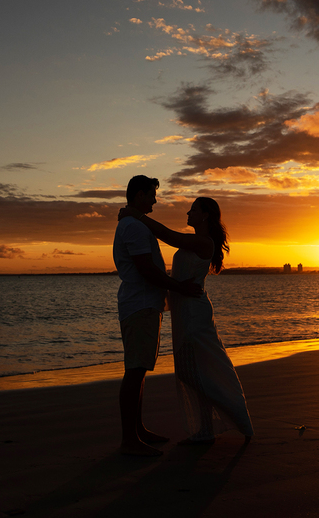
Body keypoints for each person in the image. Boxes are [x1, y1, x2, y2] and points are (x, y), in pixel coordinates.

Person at [118, 195, 254, 444]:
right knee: (190, 369)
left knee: (192, 370)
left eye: (193, 210)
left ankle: (233, 413)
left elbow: (169, 236)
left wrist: (136, 215)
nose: (188, 214)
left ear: (205, 215)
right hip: (183, 309)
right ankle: (206, 428)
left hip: (194, 310)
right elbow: (172, 239)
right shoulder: (195, 241)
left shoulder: (204, 242)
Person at [113, 175, 203, 457]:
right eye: (152, 194)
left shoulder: (136, 223)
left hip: (144, 304)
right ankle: (129, 440)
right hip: (140, 305)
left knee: (139, 369)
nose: (155, 199)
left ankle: (138, 430)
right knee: (135, 370)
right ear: (140, 195)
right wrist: (179, 287)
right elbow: (147, 270)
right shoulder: (133, 226)